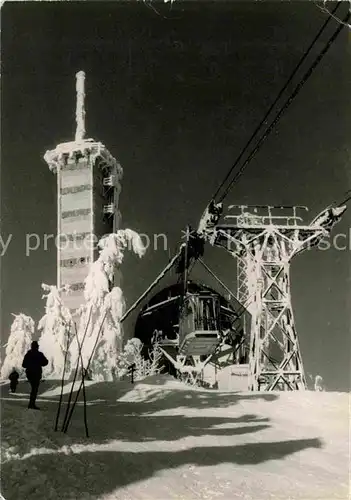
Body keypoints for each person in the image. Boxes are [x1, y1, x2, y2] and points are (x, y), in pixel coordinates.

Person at [22, 341, 48, 410]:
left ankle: (31, 404)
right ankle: (31, 404)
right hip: (36, 374)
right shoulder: (39, 354)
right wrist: (38, 363)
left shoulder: (28, 354)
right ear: (37, 347)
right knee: (34, 389)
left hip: (30, 374)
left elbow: (24, 365)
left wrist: (30, 365)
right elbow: (45, 362)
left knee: (34, 389)